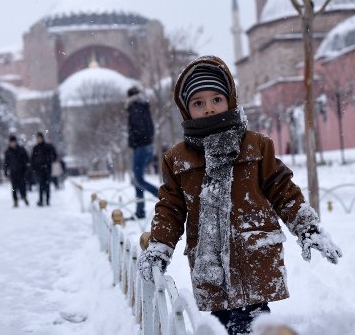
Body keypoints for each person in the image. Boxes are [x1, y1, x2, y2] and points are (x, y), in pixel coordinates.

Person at [138, 56, 342, 335]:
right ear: (186, 110)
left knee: (255, 323)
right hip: (210, 265)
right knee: (222, 325)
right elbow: (170, 208)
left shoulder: (256, 146)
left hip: (253, 254)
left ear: (230, 100)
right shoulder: (178, 159)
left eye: (216, 99)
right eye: (198, 103)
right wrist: (160, 246)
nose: (209, 108)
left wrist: (306, 227)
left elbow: (282, 190)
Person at [126, 85, 159, 219]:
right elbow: (149, 128)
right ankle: (140, 211)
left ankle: (163, 197)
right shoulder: (143, 106)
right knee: (138, 180)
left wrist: (134, 142)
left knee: (138, 180)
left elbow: (139, 129)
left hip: (141, 147)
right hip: (147, 146)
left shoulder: (134, 107)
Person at [31, 132, 57, 207]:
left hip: (47, 169)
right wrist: (33, 167)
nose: (39, 139)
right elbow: (32, 159)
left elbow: (54, 155)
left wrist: (50, 160)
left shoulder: (48, 146)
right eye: (38, 138)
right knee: (41, 185)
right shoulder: (35, 148)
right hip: (39, 170)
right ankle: (41, 200)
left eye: (40, 138)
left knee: (47, 185)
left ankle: (48, 200)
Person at [3, 135, 30, 207]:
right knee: (14, 188)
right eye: (11, 142)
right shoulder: (7, 152)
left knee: (22, 186)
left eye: (13, 142)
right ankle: (15, 201)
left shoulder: (21, 149)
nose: (12, 144)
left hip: (21, 172)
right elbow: (6, 163)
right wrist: (5, 171)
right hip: (13, 172)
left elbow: (27, 159)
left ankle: (24, 197)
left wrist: (26, 168)